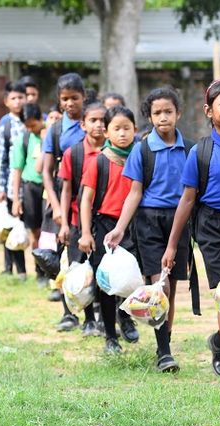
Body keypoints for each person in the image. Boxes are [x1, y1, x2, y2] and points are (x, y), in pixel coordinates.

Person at [162, 79, 220, 385]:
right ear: (208, 111)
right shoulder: (200, 152)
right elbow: (187, 200)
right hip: (211, 226)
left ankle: (219, 341)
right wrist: (173, 246)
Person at [104, 88, 191, 373]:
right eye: (157, 113)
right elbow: (134, 193)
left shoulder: (189, 149)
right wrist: (120, 228)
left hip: (179, 222)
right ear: (149, 117)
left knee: (173, 289)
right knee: (159, 285)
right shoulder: (142, 150)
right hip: (149, 222)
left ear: (178, 113)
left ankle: (163, 342)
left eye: (168, 112)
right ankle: (165, 352)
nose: (163, 117)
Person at [78, 106, 139, 354]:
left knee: (131, 278)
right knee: (106, 284)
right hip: (105, 226)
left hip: (134, 226)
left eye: (127, 128)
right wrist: (84, 233)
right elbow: (86, 199)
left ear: (135, 130)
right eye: (116, 128)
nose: (122, 134)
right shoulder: (99, 161)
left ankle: (126, 318)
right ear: (107, 132)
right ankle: (110, 337)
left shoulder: (139, 158)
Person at [56, 102, 109, 338]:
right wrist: (65, 223)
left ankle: (109, 318)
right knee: (80, 270)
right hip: (79, 220)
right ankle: (87, 319)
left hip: (107, 220)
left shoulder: (114, 152)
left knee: (104, 270)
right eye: (93, 120)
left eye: (102, 121)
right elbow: (67, 190)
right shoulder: (73, 153)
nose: (98, 125)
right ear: (83, 124)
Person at [42, 73, 87, 331]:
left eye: (75, 98)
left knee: (87, 253)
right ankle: (68, 311)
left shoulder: (92, 122)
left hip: (90, 193)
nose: (70, 104)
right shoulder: (57, 129)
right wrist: (56, 206)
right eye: (64, 99)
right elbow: (47, 172)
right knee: (63, 255)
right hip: (62, 194)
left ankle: (97, 313)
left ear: (84, 97)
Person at [0, 80, 27, 280]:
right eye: (13, 98)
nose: (17, 102)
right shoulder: (5, 125)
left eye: (20, 97)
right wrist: (0, 187)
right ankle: (16, 269)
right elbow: (0, 159)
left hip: (29, 185)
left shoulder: (31, 119)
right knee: (10, 226)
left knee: (26, 226)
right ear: (6, 101)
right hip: (10, 187)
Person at [10, 102, 47, 286]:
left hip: (48, 189)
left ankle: (52, 271)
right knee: (35, 232)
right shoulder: (24, 138)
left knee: (49, 232)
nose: (30, 128)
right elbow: (16, 170)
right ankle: (39, 271)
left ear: (41, 119)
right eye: (27, 125)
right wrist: (16, 199)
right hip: (31, 188)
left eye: (33, 124)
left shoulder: (50, 134)